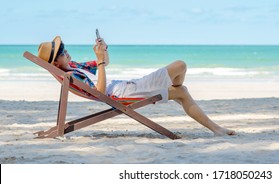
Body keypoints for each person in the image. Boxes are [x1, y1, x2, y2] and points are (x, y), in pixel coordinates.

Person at [38, 36, 235, 136]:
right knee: (180, 66)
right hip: (124, 93)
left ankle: (211, 125)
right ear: (55, 64)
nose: (66, 51)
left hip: (126, 87)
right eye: (62, 51)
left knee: (181, 90)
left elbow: (104, 63)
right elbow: (99, 92)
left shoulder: (74, 66)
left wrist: (102, 51)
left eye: (63, 47)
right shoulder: (72, 75)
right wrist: (99, 61)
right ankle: (173, 96)